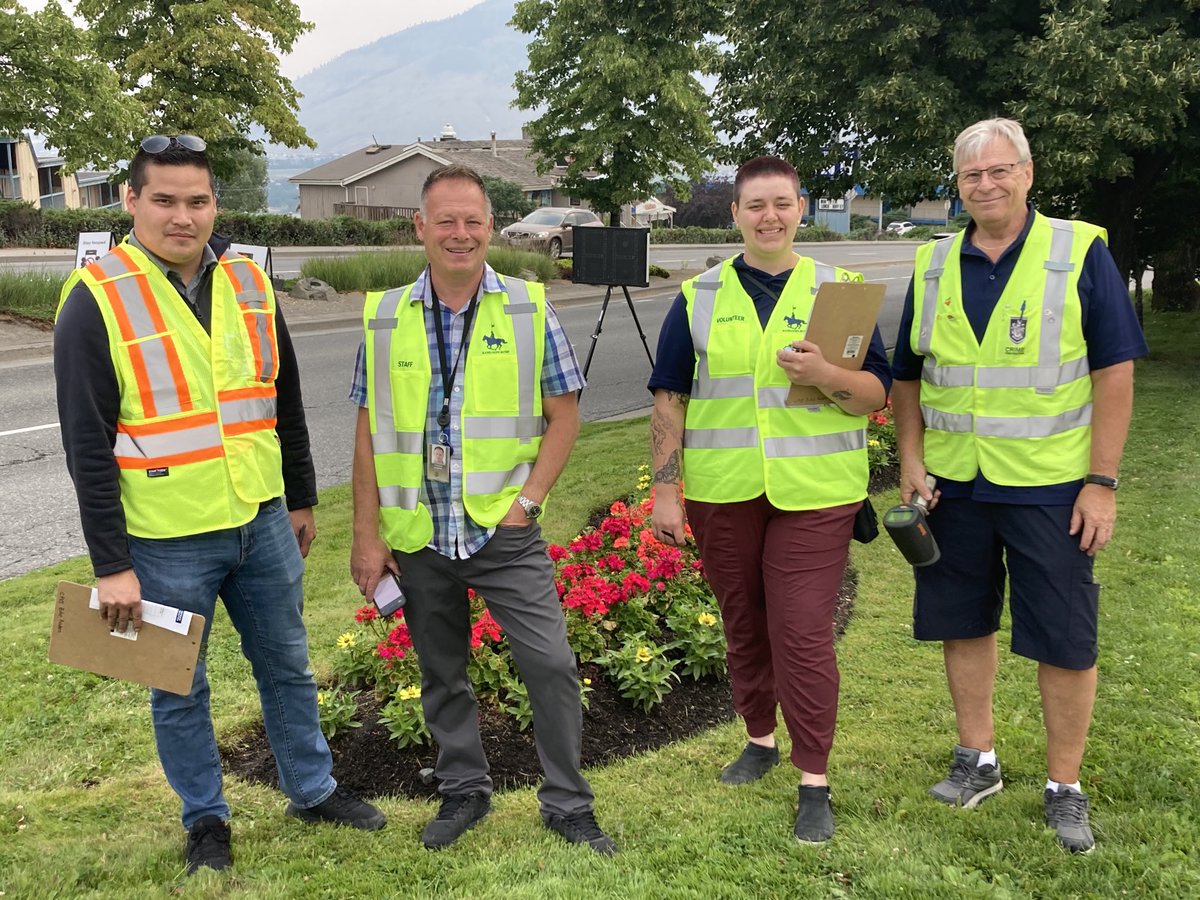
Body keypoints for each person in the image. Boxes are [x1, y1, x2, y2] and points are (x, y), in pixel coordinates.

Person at [54, 135, 386, 876]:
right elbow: (87, 444)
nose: (183, 216)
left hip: (261, 519)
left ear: (216, 205)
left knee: (288, 667)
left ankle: (313, 789)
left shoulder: (248, 279)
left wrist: (299, 498)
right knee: (177, 686)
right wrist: (112, 566)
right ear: (131, 201)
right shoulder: (97, 296)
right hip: (165, 537)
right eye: (165, 200)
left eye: (197, 200)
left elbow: (283, 400)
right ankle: (206, 821)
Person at [890, 118, 1147, 854]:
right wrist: (911, 456)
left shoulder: (1078, 252)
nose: (986, 185)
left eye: (1000, 171)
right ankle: (978, 759)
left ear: (1028, 173)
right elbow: (909, 374)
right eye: (972, 176)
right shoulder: (933, 263)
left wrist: (1102, 481)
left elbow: (1115, 371)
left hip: (1051, 486)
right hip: (954, 485)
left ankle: (1065, 787)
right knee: (961, 621)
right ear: (958, 185)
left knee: (1064, 636)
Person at [348, 164, 617, 855]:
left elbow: (565, 416)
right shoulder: (384, 316)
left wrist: (527, 504)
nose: (460, 234)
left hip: (503, 530)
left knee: (551, 664)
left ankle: (566, 803)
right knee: (441, 672)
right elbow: (368, 431)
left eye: (473, 221)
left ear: (490, 227)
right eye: (446, 220)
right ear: (420, 227)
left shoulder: (529, 307)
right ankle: (464, 790)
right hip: (420, 534)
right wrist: (367, 533)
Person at [647, 156, 892, 843]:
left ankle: (815, 776)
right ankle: (760, 740)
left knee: (803, 632)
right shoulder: (697, 297)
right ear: (735, 214)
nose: (770, 217)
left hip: (815, 495)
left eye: (782, 203)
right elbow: (670, 397)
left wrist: (829, 374)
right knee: (745, 624)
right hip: (726, 493)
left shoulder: (840, 291)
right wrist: (666, 492)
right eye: (755, 205)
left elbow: (877, 393)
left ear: (801, 207)